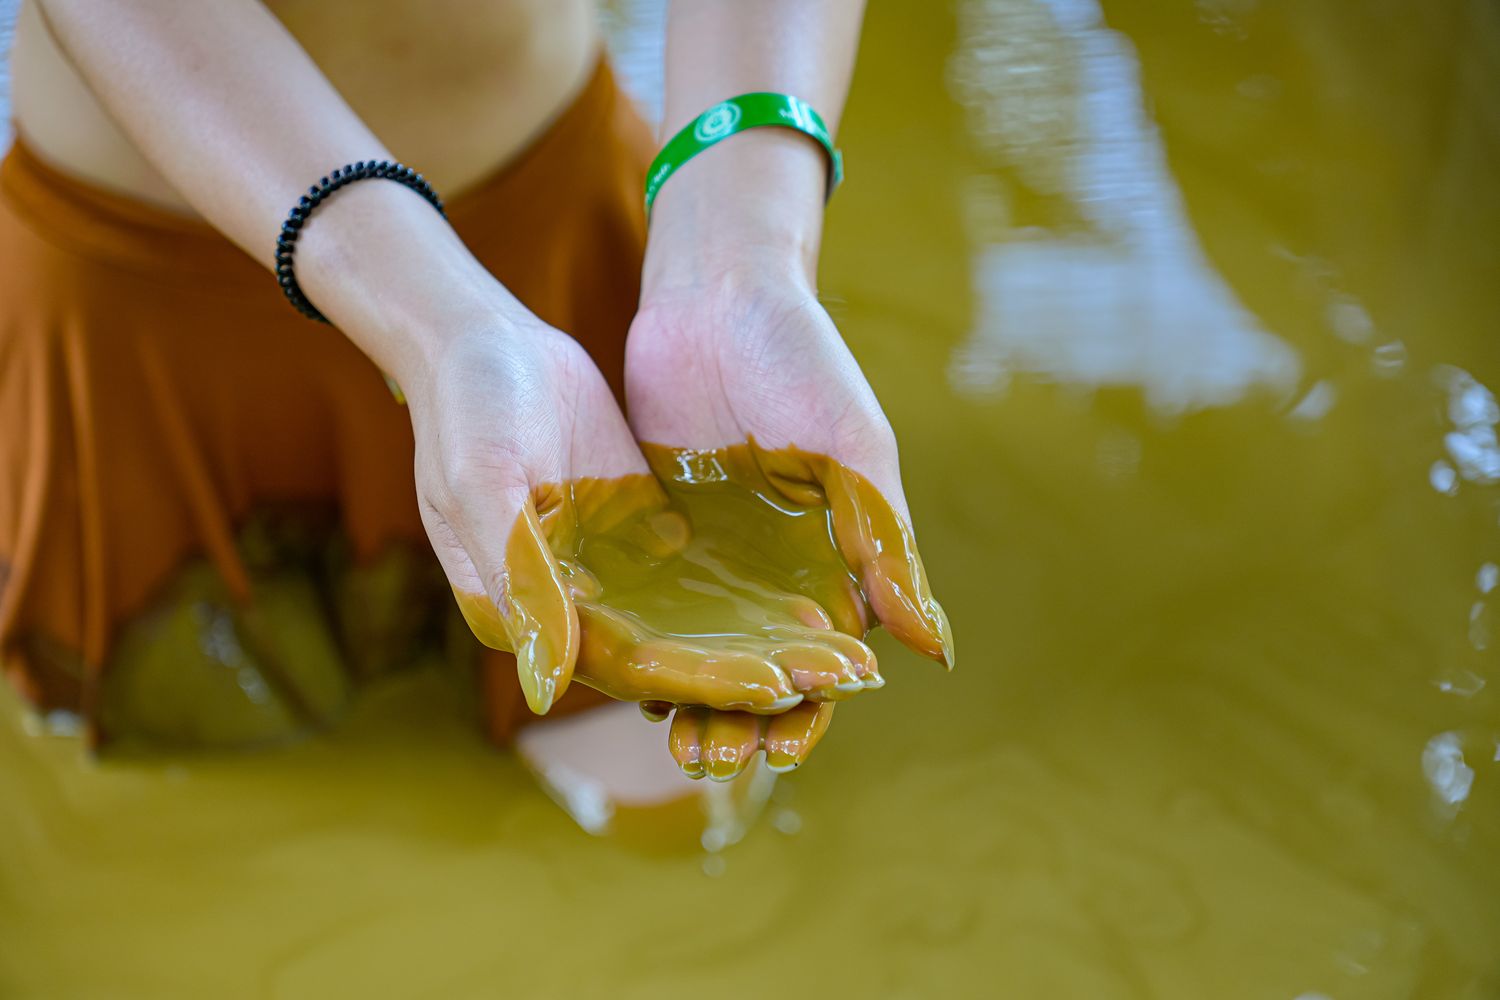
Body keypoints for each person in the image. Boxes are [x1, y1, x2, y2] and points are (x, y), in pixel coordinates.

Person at [0, 0, 951, 817]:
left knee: (668, 819)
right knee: (189, 804)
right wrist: (433, 316)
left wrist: (742, 256)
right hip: (148, 314)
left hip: (559, 255)